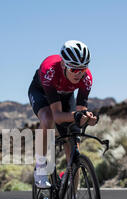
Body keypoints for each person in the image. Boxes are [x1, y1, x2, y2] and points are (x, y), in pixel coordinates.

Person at [28, 40, 98, 188]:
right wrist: (76, 116)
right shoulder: (50, 71)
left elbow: (79, 112)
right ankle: (41, 167)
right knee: (48, 119)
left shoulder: (87, 78)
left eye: (83, 68)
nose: (79, 74)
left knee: (74, 147)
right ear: (63, 65)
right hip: (42, 92)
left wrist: (87, 118)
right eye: (74, 69)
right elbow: (58, 116)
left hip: (66, 96)